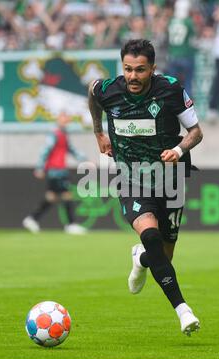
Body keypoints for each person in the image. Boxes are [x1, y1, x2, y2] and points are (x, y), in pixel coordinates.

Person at [88, 39, 203, 336]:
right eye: (127, 69)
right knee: (150, 235)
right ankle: (183, 310)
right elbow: (92, 93)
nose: (133, 76)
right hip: (131, 177)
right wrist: (99, 132)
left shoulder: (171, 90)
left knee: (163, 255)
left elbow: (195, 132)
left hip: (171, 178)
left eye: (140, 70)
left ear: (152, 69)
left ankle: (140, 258)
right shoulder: (108, 89)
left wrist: (178, 151)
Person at [23, 112, 87, 235]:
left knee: (51, 197)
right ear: (58, 119)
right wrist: (40, 168)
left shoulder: (63, 134)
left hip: (60, 170)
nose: (66, 120)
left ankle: (31, 219)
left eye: (67, 118)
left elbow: (71, 149)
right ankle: (71, 225)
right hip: (56, 171)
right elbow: (45, 150)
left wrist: (84, 158)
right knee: (67, 195)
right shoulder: (55, 134)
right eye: (64, 118)